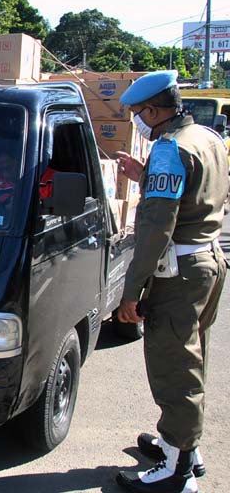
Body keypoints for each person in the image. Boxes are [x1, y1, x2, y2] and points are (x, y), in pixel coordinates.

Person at [113, 70, 228, 493]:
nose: (137, 121)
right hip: (209, 261)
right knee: (192, 358)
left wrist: (132, 291)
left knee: (174, 366)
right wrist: (143, 176)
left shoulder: (168, 148)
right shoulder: (207, 137)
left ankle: (176, 474)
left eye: (138, 113)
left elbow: (158, 225)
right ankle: (182, 447)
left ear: (154, 110)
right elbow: (199, 194)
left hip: (178, 270)